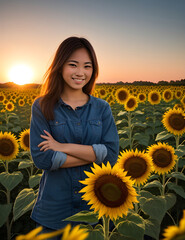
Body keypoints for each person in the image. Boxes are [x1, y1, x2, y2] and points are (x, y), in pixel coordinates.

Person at [30, 36, 119, 238]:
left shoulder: (102, 108)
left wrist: (61, 147)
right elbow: (43, 159)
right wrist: (95, 154)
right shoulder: (42, 106)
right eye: (73, 65)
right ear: (60, 66)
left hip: (95, 207)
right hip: (54, 211)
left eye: (87, 66)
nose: (80, 72)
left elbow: (112, 156)